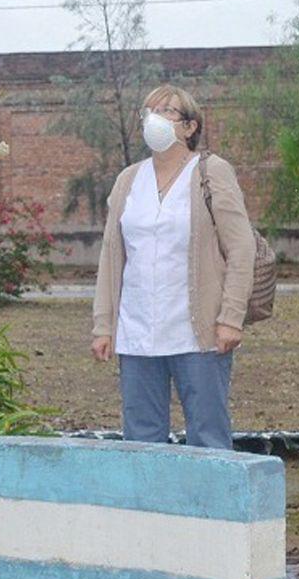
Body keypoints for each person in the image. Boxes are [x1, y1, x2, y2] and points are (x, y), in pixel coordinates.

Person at [90, 84, 256, 450]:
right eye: (149, 111)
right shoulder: (129, 180)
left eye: (167, 111)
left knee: (208, 434)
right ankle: (150, 507)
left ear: (190, 127)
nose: (155, 119)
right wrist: (104, 325)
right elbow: (111, 254)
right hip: (137, 332)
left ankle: (212, 506)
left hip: (198, 333)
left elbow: (242, 248)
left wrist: (231, 317)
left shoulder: (211, 173)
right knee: (141, 439)